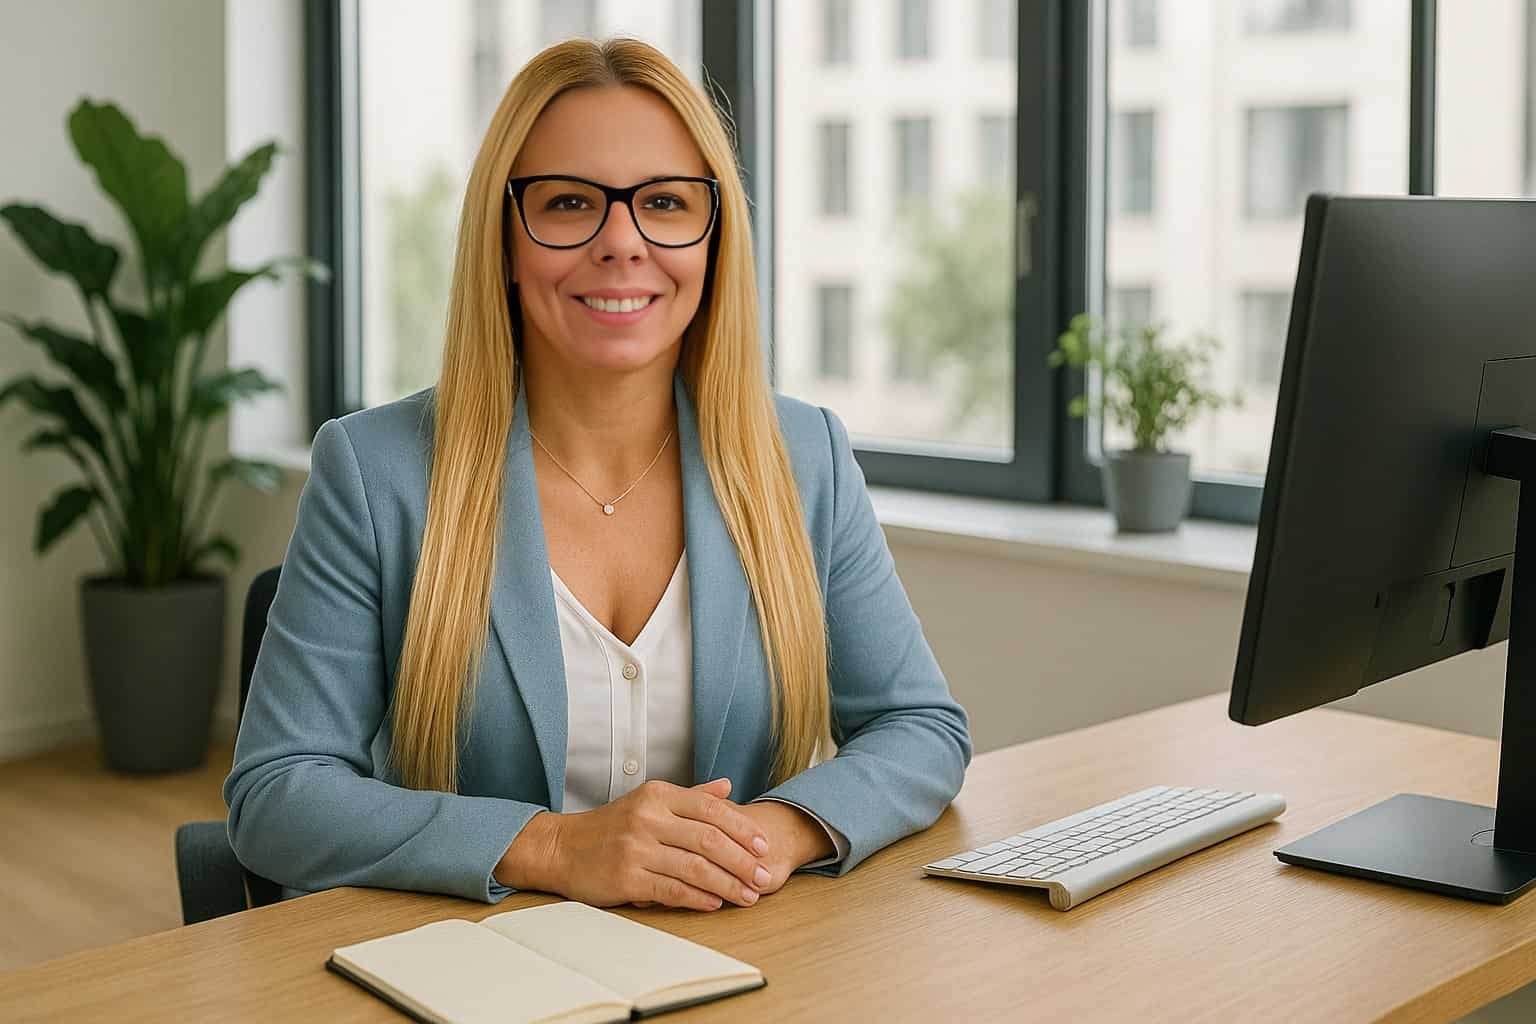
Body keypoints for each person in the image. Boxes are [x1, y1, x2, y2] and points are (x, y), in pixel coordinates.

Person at [223, 36, 971, 914]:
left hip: (742, 961)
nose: (623, 242)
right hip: (475, 967)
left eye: (664, 201)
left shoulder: (802, 457)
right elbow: (276, 794)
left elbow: (922, 729)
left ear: (714, 237)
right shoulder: (375, 471)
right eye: (571, 202)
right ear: (503, 239)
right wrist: (554, 847)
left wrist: (768, 834)